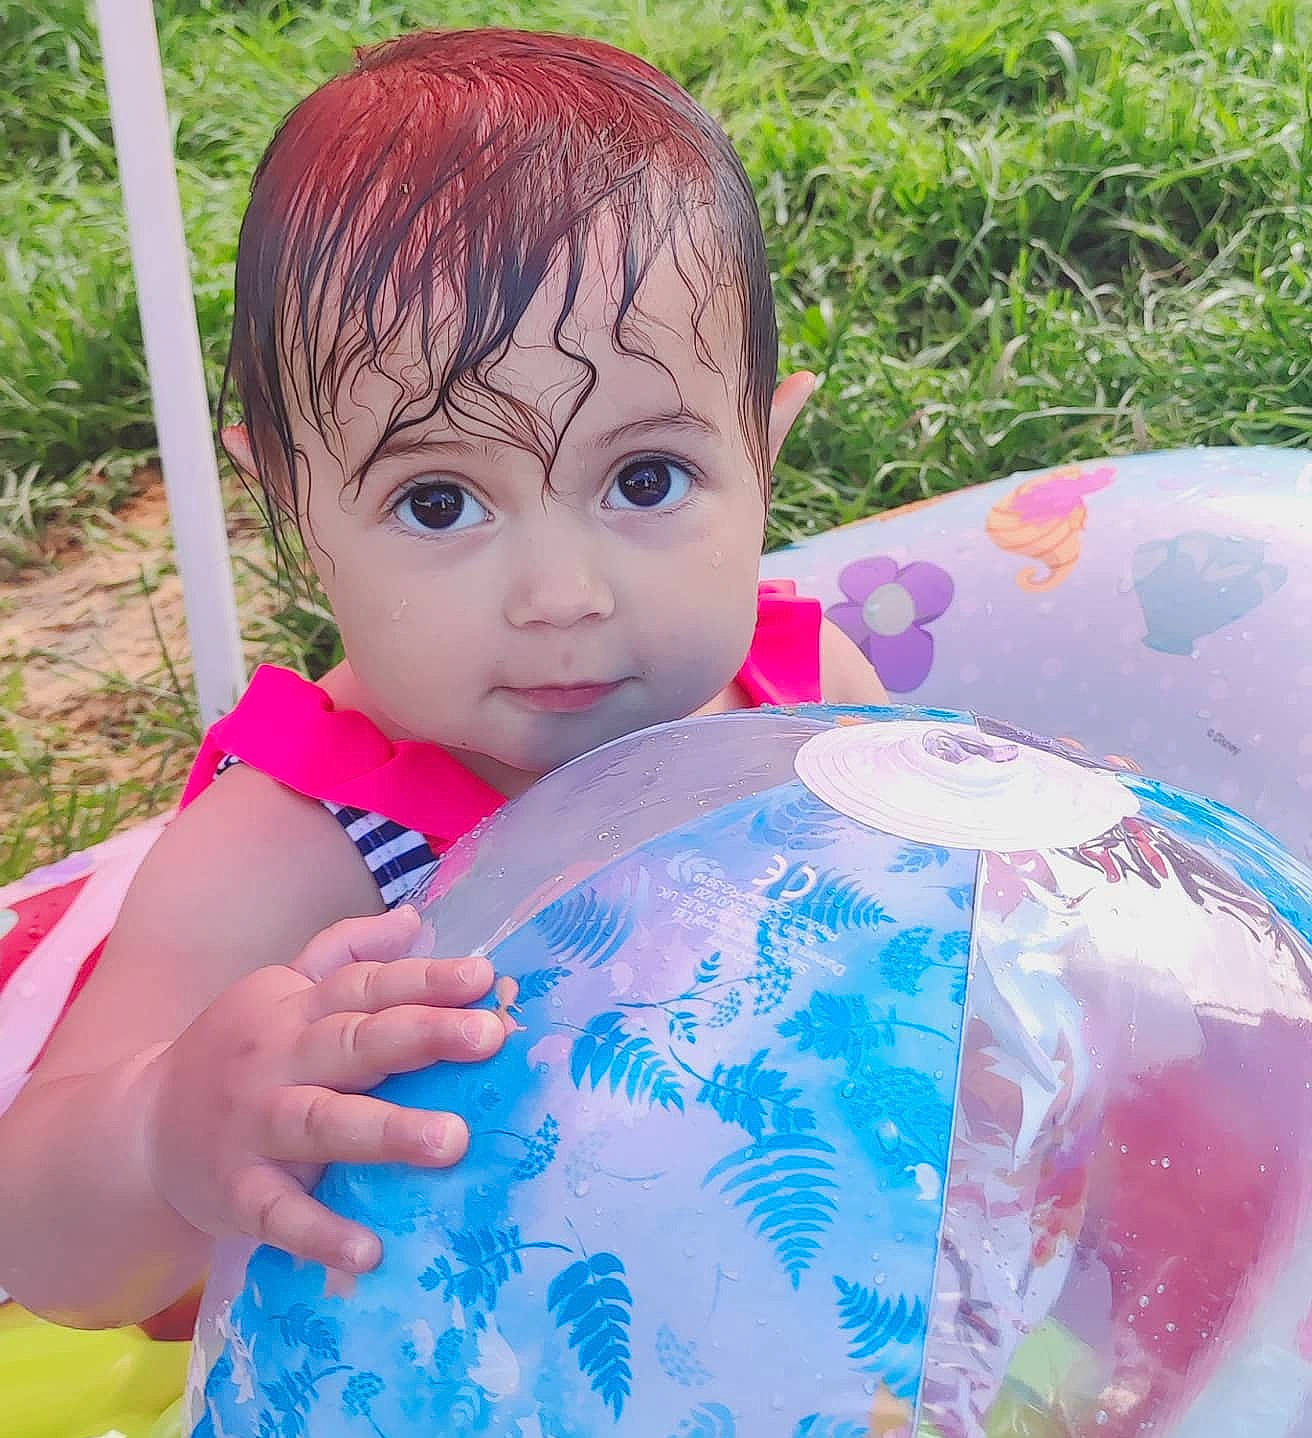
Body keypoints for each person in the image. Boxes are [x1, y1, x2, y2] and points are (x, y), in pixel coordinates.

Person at [0, 27, 886, 1329]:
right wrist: (163, 1129)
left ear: (765, 447)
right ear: (295, 512)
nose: (561, 595)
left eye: (646, 480)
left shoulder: (805, 694)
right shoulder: (302, 853)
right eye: (437, 501)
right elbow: (43, 1249)